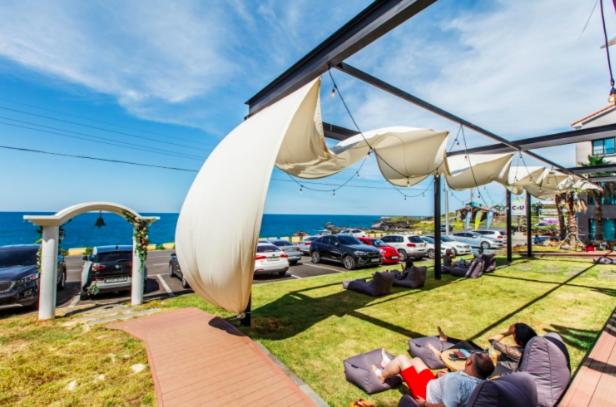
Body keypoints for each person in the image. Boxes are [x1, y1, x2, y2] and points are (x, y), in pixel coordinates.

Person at [372, 350, 494, 407]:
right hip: (433, 384)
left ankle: (382, 375)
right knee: (416, 360)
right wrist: (445, 378)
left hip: (425, 394)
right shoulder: (482, 383)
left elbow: (447, 406)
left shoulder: (456, 383)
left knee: (401, 359)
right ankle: (391, 367)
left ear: (468, 362)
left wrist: (424, 404)